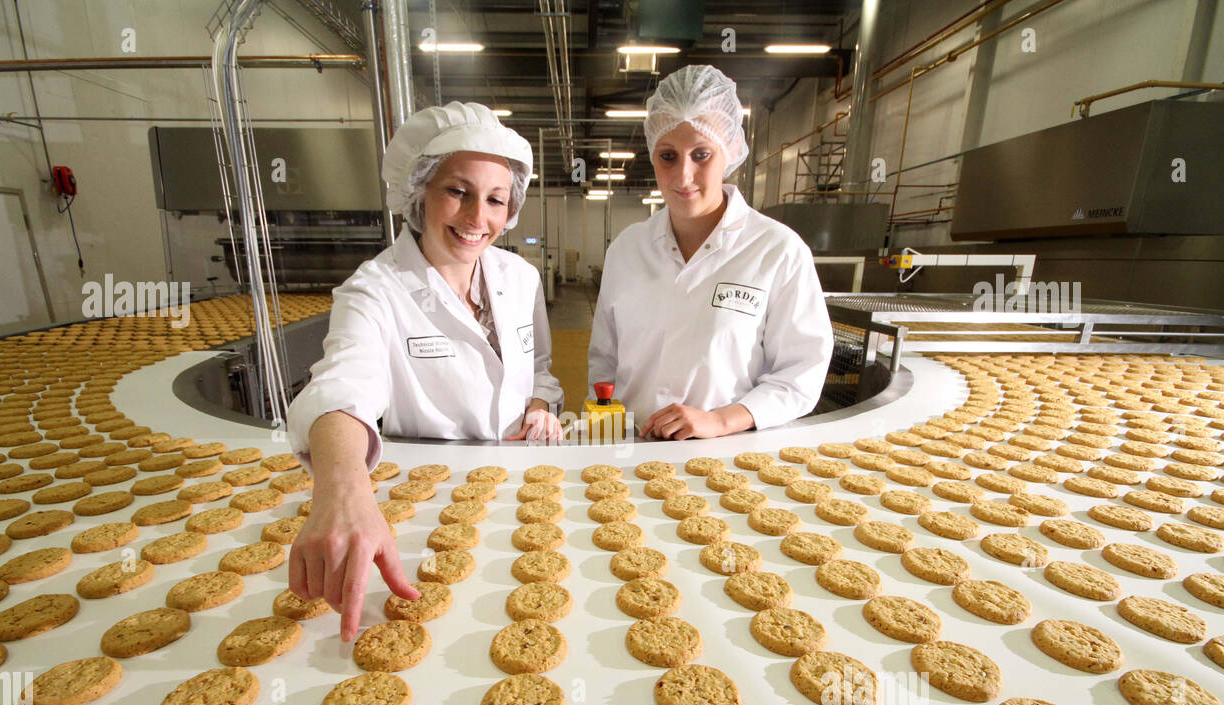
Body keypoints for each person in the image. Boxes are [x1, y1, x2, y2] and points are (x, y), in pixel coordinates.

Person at [286, 102, 564, 641]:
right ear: (419, 190)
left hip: (520, 499)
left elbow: (542, 371)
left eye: (496, 200)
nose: (477, 218)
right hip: (427, 516)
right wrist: (342, 488)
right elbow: (341, 387)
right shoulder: (375, 289)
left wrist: (538, 406)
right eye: (457, 191)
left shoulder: (520, 277)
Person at [588, 64, 833, 440]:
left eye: (701, 154)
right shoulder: (626, 249)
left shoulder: (776, 251)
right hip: (631, 452)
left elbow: (801, 373)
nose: (683, 176)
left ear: (730, 151)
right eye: (668, 156)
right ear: (653, 155)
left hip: (726, 457)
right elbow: (604, 364)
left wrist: (720, 420)